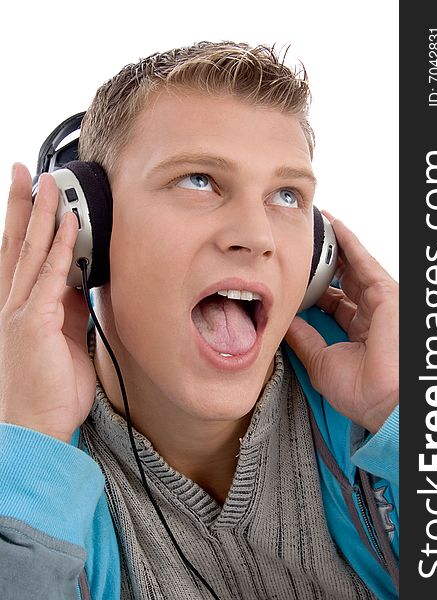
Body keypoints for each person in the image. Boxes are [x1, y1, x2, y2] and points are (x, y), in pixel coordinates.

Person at [0, 42, 399, 599]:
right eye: (199, 180)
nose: (256, 237)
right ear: (91, 229)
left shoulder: (384, 411)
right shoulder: (21, 456)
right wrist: (26, 453)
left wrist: (411, 422)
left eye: (286, 194)